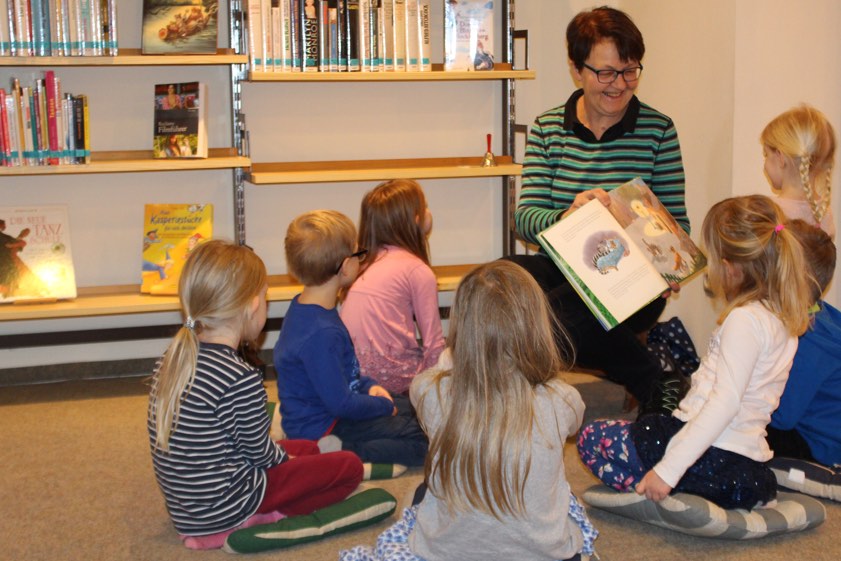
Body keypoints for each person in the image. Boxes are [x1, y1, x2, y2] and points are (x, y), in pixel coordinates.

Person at [340, 260, 598, 561]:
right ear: (537, 327)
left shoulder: (429, 391)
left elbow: (436, 379)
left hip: (445, 553)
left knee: (423, 493)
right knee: (563, 497)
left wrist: (458, 355)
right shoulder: (563, 399)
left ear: (461, 327)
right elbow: (572, 424)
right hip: (545, 554)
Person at [577, 195, 814, 510]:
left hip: (707, 456)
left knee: (593, 437)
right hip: (748, 467)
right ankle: (697, 495)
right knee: (657, 419)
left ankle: (664, 492)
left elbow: (724, 403)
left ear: (729, 268)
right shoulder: (783, 321)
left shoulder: (744, 320)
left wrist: (668, 470)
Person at [508, 6, 688, 414]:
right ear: (577, 69)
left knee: (550, 314)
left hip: (632, 279)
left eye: (629, 71)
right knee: (504, 279)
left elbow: (677, 224)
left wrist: (670, 266)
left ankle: (514, 396)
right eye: (606, 73)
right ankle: (655, 379)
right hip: (563, 268)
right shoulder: (548, 128)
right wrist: (566, 216)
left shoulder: (658, 130)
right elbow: (525, 218)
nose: (619, 85)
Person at [147, 240, 364, 549]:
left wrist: (291, 457)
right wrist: (287, 460)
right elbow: (261, 455)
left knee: (306, 448)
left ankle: (232, 517)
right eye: (265, 297)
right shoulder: (239, 377)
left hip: (188, 511)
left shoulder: (170, 361)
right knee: (349, 467)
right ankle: (265, 517)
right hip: (232, 504)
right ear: (251, 305)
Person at [273, 210, 428, 467]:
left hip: (330, 408)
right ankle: (341, 451)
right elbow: (342, 404)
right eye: (359, 253)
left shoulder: (306, 307)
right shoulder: (322, 333)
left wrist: (369, 387)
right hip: (324, 427)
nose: (361, 258)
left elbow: (344, 374)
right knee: (425, 441)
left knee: (414, 406)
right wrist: (380, 406)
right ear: (345, 267)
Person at [340, 179, 445, 396]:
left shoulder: (365, 264)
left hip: (352, 377)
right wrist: (436, 393)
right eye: (424, 207)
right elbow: (433, 345)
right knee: (452, 359)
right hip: (398, 382)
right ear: (416, 220)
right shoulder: (417, 270)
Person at [767, 219, 841, 467]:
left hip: (821, 447)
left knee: (742, 431)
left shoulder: (807, 339)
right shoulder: (820, 311)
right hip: (817, 429)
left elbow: (782, 417)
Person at [761, 104, 836, 239]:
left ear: (780, 157)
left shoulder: (768, 212)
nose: (764, 164)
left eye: (766, 155)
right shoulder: (824, 212)